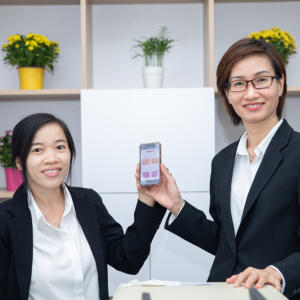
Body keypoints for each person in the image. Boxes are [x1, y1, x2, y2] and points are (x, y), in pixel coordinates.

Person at [136, 38, 300, 299]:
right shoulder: (223, 161)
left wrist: (278, 272)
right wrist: (176, 205)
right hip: (224, 291)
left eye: (261, 80)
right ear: (227, 93)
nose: (250, 93)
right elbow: (227, 243)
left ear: (280, 85)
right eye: (238, 84)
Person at [0, 113, 166, 300]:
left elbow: (128, 259)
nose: (52, 158)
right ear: (20, 162)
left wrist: (147, 200)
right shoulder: (5, 221)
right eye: (37, 150)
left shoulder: (89, 202)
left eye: (60, 147)